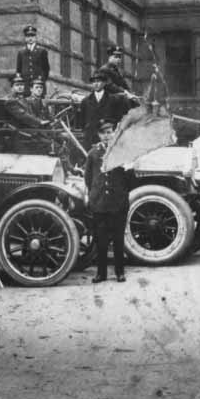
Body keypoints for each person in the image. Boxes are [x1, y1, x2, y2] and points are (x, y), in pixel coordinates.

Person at [85, 120, 129, 283]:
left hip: (118, 203)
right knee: (100, 240)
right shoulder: (93, 153)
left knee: (118, 240)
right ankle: (101, 274)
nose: (107, 135)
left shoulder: (122, 153)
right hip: (100, 204)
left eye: (110, 132)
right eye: (104, 133)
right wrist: (95, 196)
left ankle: (120, 273)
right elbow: (88, 178)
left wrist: (122, 195)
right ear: (99, 135)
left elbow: (129, 179)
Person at [80, 67, 138, 147]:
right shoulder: (85, 101)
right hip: (90, 141)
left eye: (99, 81)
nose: (96, 84)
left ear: (104, 83)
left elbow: (119, 120)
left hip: (108, 141)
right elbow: (81, 123)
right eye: (94, 82)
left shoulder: (114, 100)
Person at [15, 24, 50, 95]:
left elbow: (46, 68)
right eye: (28, 36)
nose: (30, 38)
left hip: (38, 85)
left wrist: (41, 80)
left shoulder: (42, 51)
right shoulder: (21, 52)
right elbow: (18, 70)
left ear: (35, 37)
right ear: (25, 38)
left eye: (32, 36)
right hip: (26, 86)